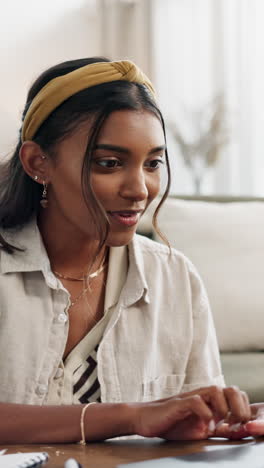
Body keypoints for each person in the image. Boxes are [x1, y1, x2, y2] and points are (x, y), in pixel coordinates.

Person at [0, 57, 263, 444]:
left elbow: (197, 418)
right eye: (109, 163)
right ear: (39, 163)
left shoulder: (175, 277)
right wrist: (131, 416)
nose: (140, 189)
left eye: (153, 163)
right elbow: (140, 418)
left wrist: (222, 418)